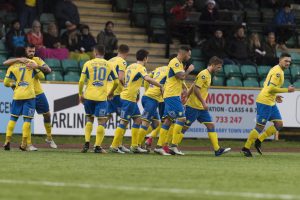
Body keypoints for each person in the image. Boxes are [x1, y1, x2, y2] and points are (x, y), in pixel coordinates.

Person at [3, 44, 58, 151]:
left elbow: (48, 70)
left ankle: (49, 137)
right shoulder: (21, 61)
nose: (32, 53)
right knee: (27, 119)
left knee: (47, 114)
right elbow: (5, 63)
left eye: (33, 51)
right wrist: (20, 59)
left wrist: (37, 67)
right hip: (29, 94)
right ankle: (28, 144)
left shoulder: (36, 60)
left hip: (38, 92)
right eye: (30, 51)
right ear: (25, 51)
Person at [109, 49, 163, 154]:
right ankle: (114, 146)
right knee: (124, 122)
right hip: (128, 98)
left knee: (138, 120)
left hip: (130, 97)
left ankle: (134, 146)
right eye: (147, 58)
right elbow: (147, 79)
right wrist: (159, 85)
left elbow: (123, 79)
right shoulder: (141, 68)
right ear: (145, 58)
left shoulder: (130, 66)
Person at [241, 53, 295, 157]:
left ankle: (259, 140)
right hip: (264, 101)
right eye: (286, 61)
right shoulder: (278, 72)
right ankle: (246, 148)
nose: (288, 63)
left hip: (270, 101)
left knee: (279, 124)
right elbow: (270, 88)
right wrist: (286, 90)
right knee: (259, 127)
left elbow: (266, 85)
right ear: (280, 60)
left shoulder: (277, 69)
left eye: (289, 61)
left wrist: (275, 96)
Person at [81, 44, 130, 153]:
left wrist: (81, 94)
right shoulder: (121, 62)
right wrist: (125, 87)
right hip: (113, 94)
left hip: (97, 93)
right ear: (127, 53)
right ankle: (114, 145)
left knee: (95, 118)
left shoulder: (110, 60)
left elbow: (81, 81)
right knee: (124, 118)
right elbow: (119, 79)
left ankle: (89, 144)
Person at [180, 56, 231, 156]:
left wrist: (187, 95)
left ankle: (217, 149)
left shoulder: (208, 74)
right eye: (218, 67)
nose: (219, 69)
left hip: (201, 108)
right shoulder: (204, 74)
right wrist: (203, 102)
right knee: (184, 128)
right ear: (213, 65)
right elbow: (197, 89)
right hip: (193, 106)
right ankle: (172, 146)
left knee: (210, 125)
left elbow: (194, 85)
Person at [154, 46, 194, 156]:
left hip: (172, 95)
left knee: (168, 120)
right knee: (182, 118)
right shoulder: (175, 62)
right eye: (189, 54)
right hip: (172, 96)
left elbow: (178, 79)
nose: (189, 57)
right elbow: (181, 76)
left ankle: (159, 147)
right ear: (184, 53)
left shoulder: (179, 64)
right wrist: (189, 70)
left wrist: (184, 88)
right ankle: (173, 145)